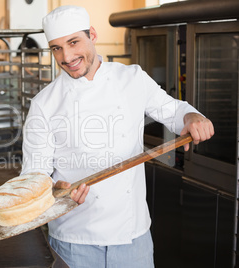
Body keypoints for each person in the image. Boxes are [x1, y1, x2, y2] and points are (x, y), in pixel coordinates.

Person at [20, 5, 214, 268]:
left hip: (133, 238)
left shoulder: (132, 78)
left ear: (93, 34)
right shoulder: (44, 104)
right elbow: (34, 176)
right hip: (74, 240)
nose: (66, 56)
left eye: (73, 42)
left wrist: (191, 116)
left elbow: (174, 110)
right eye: (56, 48)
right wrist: (55, 192)